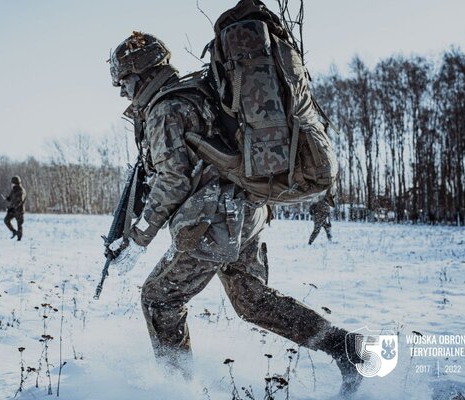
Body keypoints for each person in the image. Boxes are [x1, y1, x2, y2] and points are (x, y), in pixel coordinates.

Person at [108, 32, 363, 394]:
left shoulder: (166, 109)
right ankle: (347, 348)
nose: (122, 91)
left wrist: (136, 240)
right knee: (252, 300)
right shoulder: (196, 91)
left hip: (214, 221)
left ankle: (174, 391)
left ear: (140, 74)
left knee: (159, 299)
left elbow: (173, 182)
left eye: (124, 82)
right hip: (245, 210)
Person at [2, 175, 26, 241]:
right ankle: (14, 232)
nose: (11, 184)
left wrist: (11, 208)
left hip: (19, 211)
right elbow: (11, 199)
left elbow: (19, 202)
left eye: (12, 183)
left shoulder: (21, 191)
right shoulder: (13, 190)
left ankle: (19, 239)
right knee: (6, 220)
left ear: (15, 183)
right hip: (13, 210)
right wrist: (6, 198)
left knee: (19, 225)